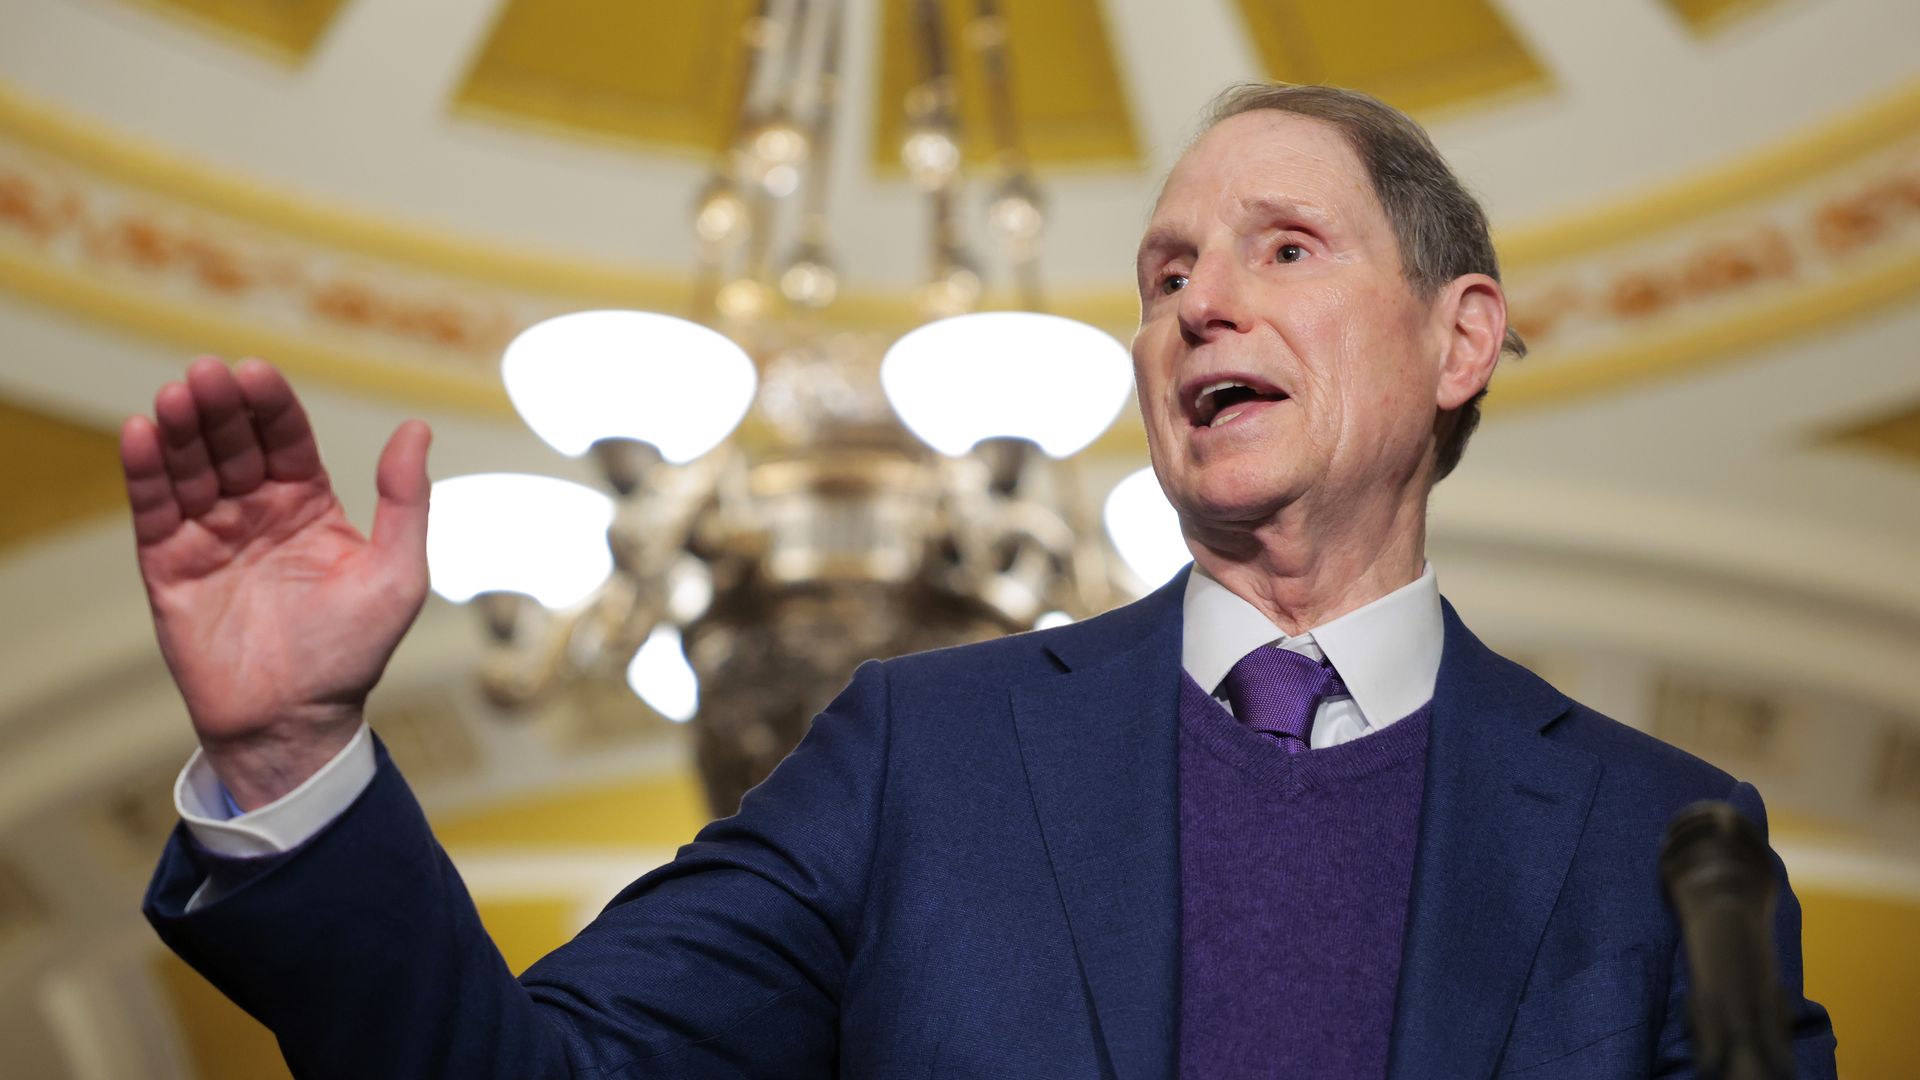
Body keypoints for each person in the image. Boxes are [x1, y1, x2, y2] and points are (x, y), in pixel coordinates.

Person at [131, 84, 1836, 1078]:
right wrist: (294, 765)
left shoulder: (1668, 848)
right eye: (1166, 271)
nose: (1197, 305)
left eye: (1283, 249)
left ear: (1462, 337)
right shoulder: (922, 761)